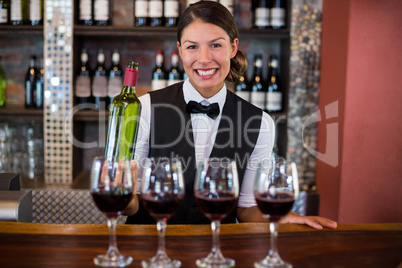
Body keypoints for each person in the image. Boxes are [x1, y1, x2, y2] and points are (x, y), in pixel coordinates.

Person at [123, 1, 337, 230]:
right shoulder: (144, 108)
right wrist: (122, 197)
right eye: (192, 46)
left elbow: (247, 208)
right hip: (149, 250)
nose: (204, 58)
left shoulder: (261, 123)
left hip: (219, 252)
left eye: (215, 45)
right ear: (180, 51)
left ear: (233, 48)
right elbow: (133, 204)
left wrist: (283, 216)